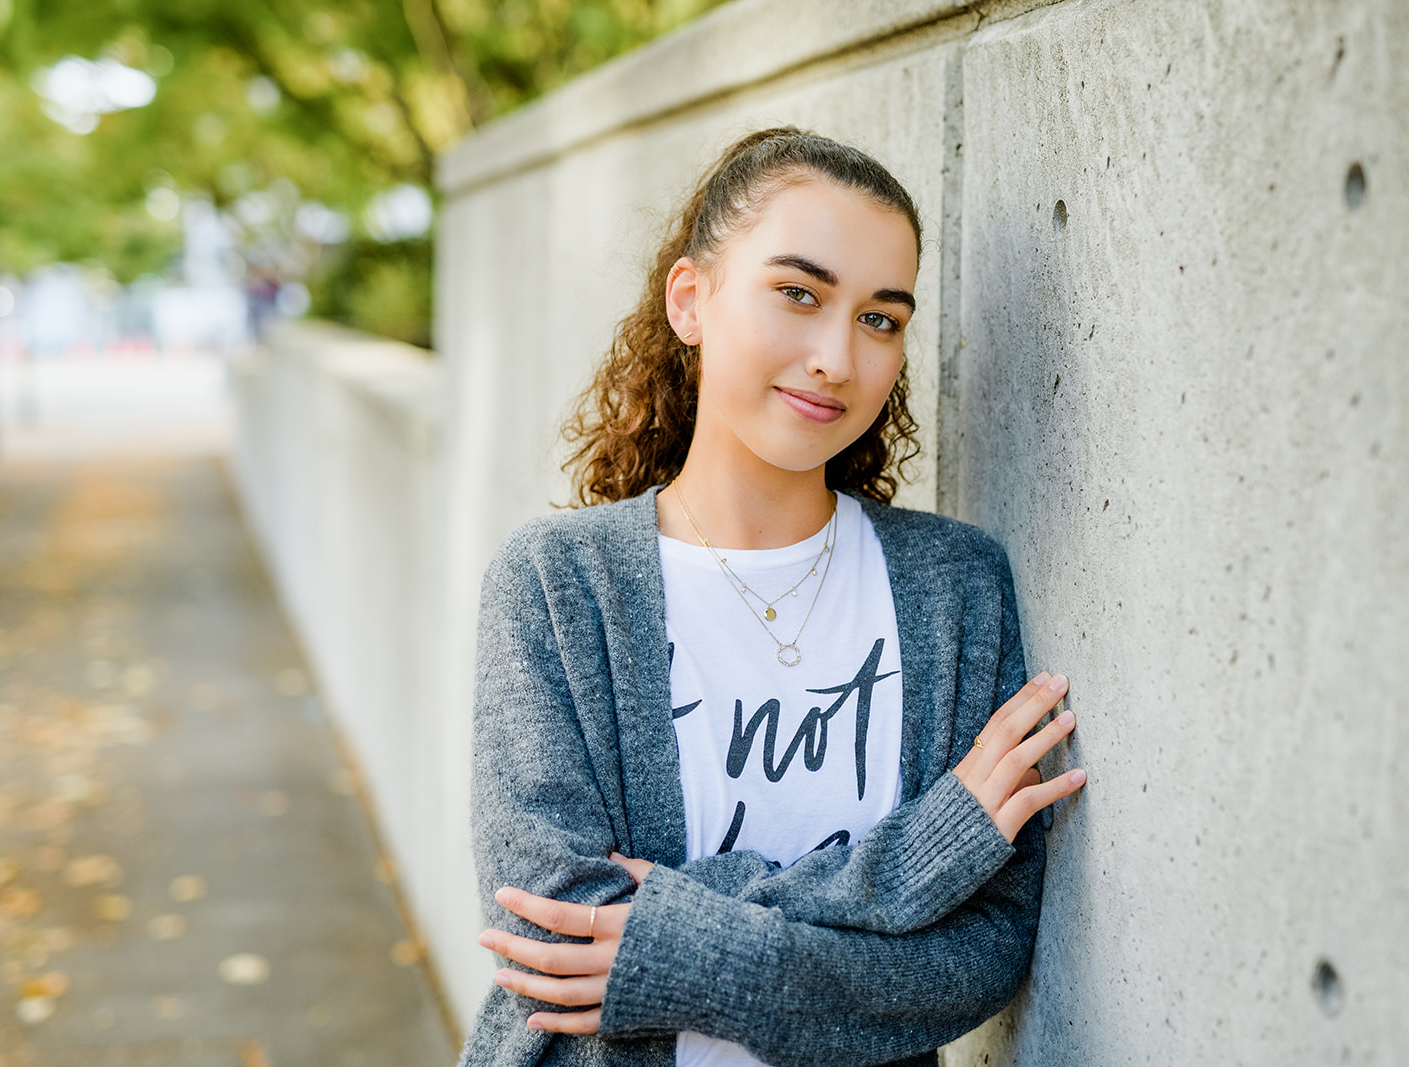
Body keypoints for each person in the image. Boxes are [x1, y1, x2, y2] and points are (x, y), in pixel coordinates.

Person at [459, 127, 1087, 1067]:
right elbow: (556, 935)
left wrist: (669, 947)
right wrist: (926, 853)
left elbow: (982, 950)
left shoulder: (955, 586)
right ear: (691, 301)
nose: (837, 355)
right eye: (799, 293)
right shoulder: (558, 584)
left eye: (881, 318)